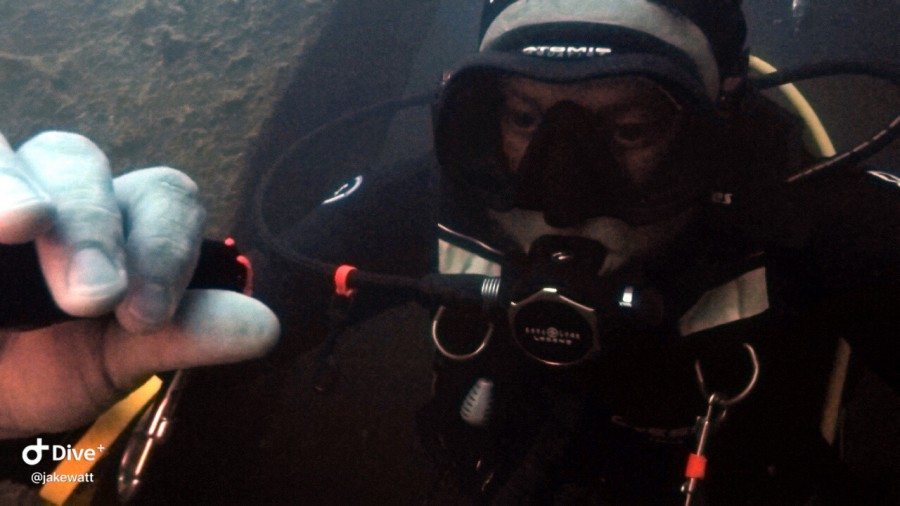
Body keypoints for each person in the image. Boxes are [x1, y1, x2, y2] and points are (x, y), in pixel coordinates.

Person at [2, 1, 898, 504]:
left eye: (630, 127)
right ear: (473, 114)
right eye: (525, 118)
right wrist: (26, 433)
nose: (562, 193)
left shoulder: (825, 219)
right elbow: (73, 452)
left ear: (719, 125)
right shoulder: (431, 200)